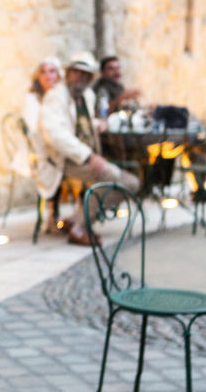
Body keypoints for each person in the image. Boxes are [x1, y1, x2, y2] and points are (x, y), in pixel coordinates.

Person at [40, 51, 140, 246]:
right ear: (69, 73)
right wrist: (88, 157)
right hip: (63, 161)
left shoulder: (86, 95)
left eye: (85, 74)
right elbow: (56, 135)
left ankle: (75, 221)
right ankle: (81, 227)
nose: (80, 77)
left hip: (87, 155)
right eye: (76, 72)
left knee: (132, 183)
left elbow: (80, 123)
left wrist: (98, 125)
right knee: (113, 178)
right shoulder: (56, 96)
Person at [21, 56, 67, 233]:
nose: (48, 75)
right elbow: (33, 131)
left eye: (52, 71)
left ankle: (77, 218)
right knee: (55, 165)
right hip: (38, 151)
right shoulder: (32, 98)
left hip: (57, 147)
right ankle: (53, 216)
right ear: (38, 76)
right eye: (43, 72)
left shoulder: (62, 95)